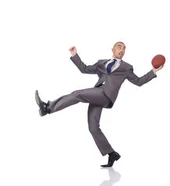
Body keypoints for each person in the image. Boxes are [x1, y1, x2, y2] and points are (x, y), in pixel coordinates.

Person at [34, 42, 163, 167]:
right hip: (97, 93)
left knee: (77, 94)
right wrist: (75, 55)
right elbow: (84, 69)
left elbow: (139, 81)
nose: (122, 50)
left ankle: (48, 108)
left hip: (106, 95)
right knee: (93, 127)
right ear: (112, 49)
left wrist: (153, 71)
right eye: (119, 47)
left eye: (124, 48)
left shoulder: (126, 67)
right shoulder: (101, 63)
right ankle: (111, 153)